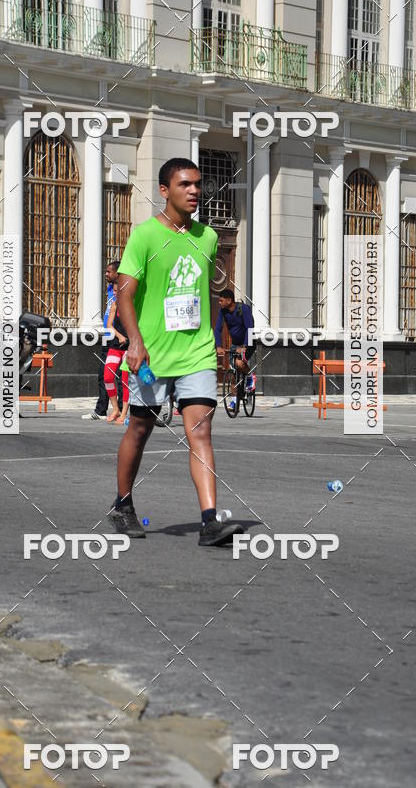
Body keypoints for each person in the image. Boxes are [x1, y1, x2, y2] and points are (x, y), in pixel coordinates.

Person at [108, 158, 245, 547]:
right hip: (152, 354)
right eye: (185, 184)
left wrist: (214, 336)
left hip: (197, 352)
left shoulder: (208, 237)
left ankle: (209, 522)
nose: (195, 191)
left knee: (200, 431)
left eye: (198, 184)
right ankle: (122, 504)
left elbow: (214, 294)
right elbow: (124, 293)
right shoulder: (145, 236)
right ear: (165, 190)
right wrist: (135, 341)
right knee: (140, 428)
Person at [82, 261, 123, 420]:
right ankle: (101, 409)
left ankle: (120, 410)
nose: (106, 274)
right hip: (108, 336)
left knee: (120, 376)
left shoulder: (124, 289)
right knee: (104, 374)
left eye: (109, 272)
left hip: (120, 337)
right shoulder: (109, 288)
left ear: (117, 273)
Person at [214, 288, 256, 410]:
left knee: (239, 363)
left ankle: (249, 376)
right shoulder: (223, 312)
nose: (219, 303)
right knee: (233, 374)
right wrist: (218, 345)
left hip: (248, 342)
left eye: (221, 300)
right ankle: (234, 401)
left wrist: (245, 346)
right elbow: (218, 329)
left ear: (229, 300)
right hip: (235, 344)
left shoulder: (244, 309)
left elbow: (250, 328)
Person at [103, 281, 130, 425]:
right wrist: (119, 336)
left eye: (116, 291)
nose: (114, 293)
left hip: (129, 347)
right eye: (113, 291)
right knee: (107, 376)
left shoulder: (132, 304)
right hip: (116, 345)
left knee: (125, 380)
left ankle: (124, 413)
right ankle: (115, 409)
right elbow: (109, 325)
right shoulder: (114, 305)